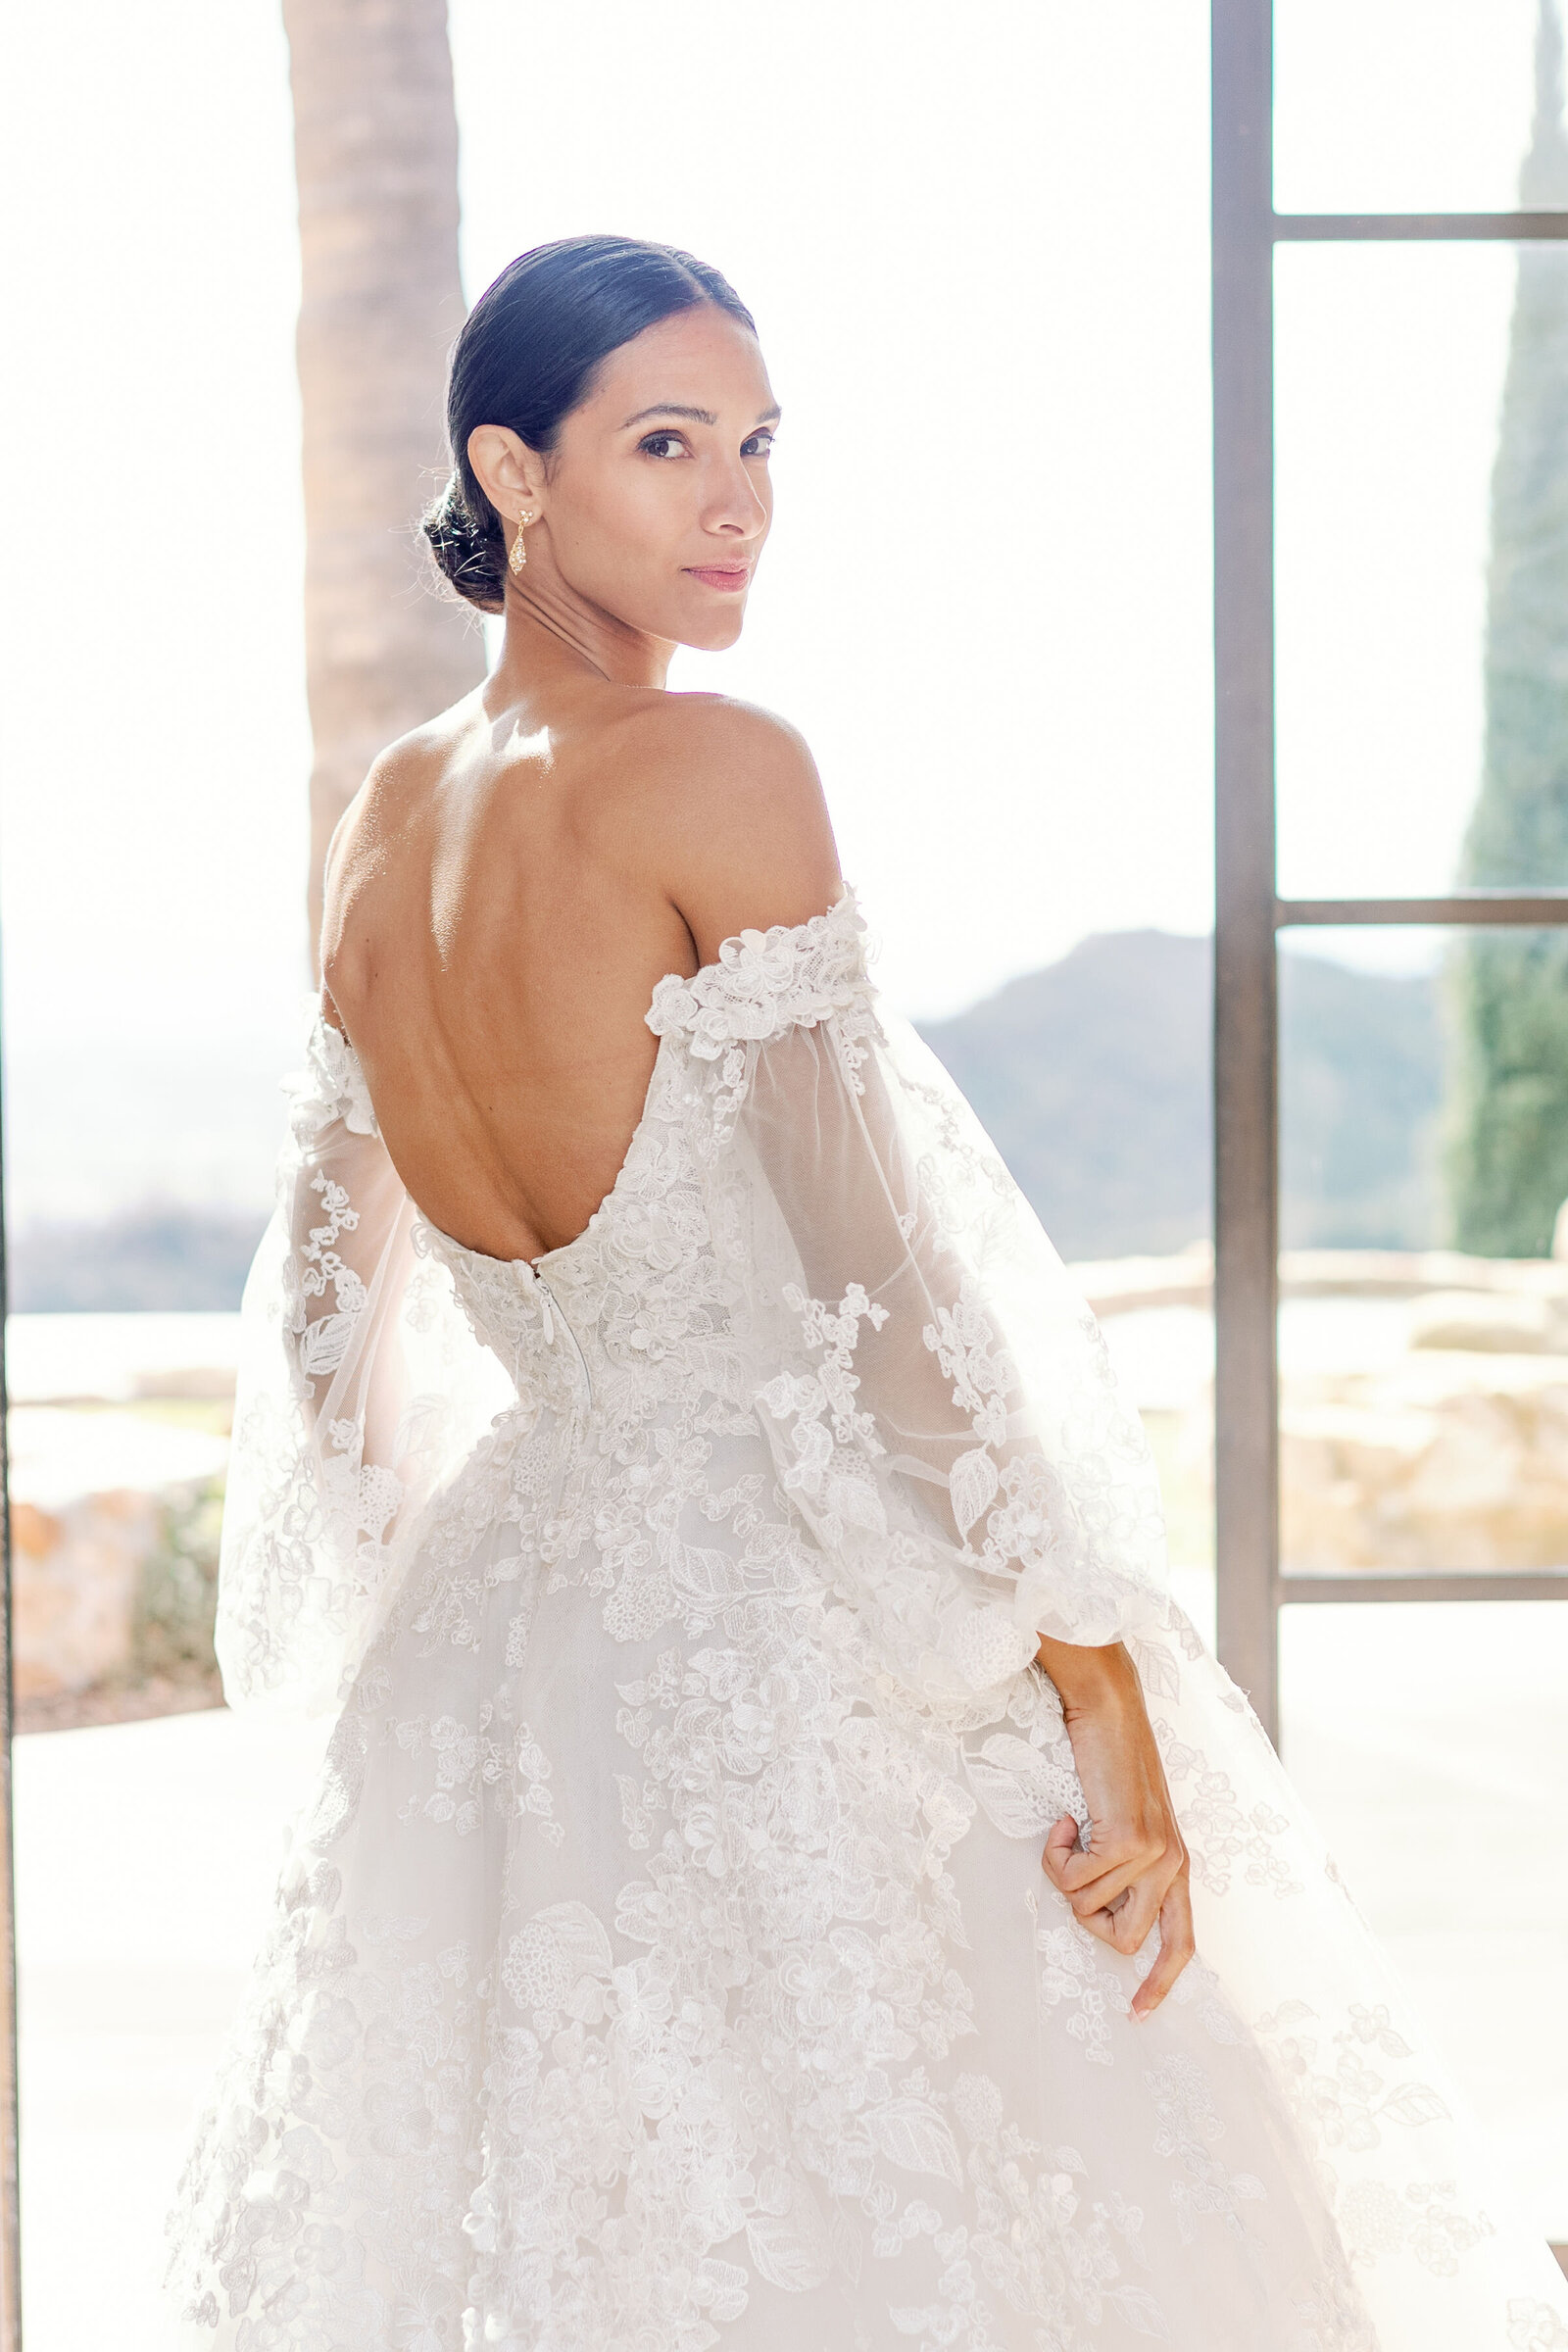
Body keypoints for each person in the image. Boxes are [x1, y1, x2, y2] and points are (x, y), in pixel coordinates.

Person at [167, 235, 1568, 2351]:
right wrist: (1092, 1681)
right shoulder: (715, 772)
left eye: (753, 445)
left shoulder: (379, 825)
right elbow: (878, 1284)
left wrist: (419, 1656)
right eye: (662, 444)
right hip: (777, 1609)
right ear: (512, 473)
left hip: (508, 1615)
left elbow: (330, 1312)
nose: (733, 501)